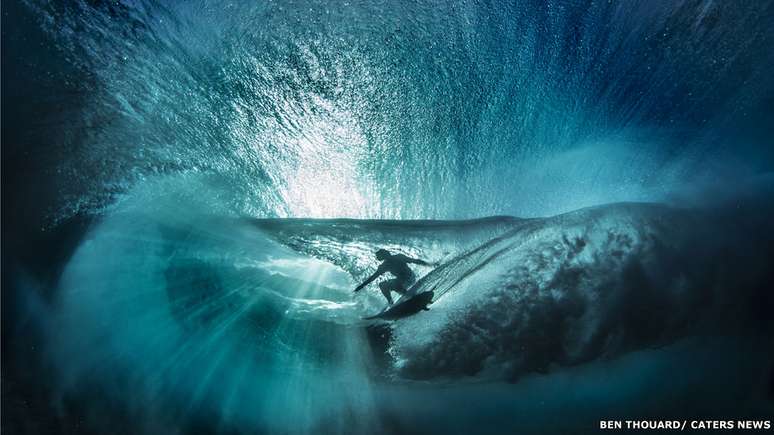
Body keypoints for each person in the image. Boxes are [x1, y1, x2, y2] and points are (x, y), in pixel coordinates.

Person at [354, 249, 432, 305]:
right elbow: (372, 278)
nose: (378, 258)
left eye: (379, 256)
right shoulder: (384, 266)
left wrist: (430, 265)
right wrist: (360, 287)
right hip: (400, 281)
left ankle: (412, 297)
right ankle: (391, 303)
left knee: (395, 283)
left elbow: (415, 261)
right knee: (382, 285)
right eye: (378, 257)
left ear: (386, 254)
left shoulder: (399, 257)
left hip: (410, 278)